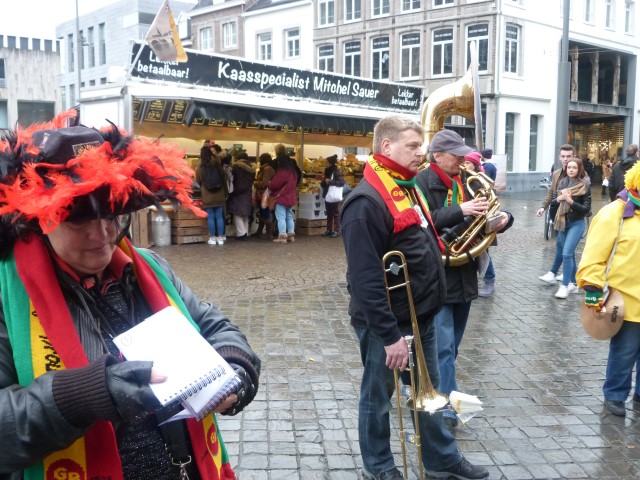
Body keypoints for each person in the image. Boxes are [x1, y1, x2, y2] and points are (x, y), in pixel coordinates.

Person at [0, 111, 261, 479]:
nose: (102, 235)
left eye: (112, 214)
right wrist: (81, 398)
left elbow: (211, 325)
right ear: (42, 217)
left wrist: (236, 369)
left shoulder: (149, 268)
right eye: (78, 219)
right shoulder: (6, 298)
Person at [341, 116, 489, 480]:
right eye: (412, 145)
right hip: (387, 325)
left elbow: (424, 237)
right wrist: (389, 335)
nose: (420, 152)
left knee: (429, 393)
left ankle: (441, 459)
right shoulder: (365, 202)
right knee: (378, 398)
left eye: (420, 145)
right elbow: (364, 279)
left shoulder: (407, 187)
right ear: (386, 146)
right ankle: (378, 467)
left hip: (420, 315)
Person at [417, 131, 512, 431]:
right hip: (437, 275)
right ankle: (447, 407)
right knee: (444, 347)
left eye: (462, 154)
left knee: (452, 347)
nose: (462, 159)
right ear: (437, 156)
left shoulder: (468, 180)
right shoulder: (420, 182)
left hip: (465, 274)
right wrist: (460, 210)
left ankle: (426, 383)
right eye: (455, 154)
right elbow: (421, 221)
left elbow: (488, 213)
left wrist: (504, 219)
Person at [577, 160, 640, 417]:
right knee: (625, 352)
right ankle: (615, 394)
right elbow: (594, 254)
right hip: (625, 301)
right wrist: (592, 288)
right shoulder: (615, 213)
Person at [539, 157, 591, 299]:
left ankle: (564, 286)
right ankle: (573, 284)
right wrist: (558, 199)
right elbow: (554, 203)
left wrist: (570, 201)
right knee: (569, 254)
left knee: (567, 254)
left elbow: (586, 209)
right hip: (562, 223)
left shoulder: (584, 185)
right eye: (569, 167)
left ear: (579, 169)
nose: (571, 170)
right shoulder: (562, 183)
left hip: (577, 223)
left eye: (574, 167)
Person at [536, 144, 575, 285]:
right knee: (563, 246)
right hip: (557, 214)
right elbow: (551, 192)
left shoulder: (578, 174)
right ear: (559, 157)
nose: (565, 159)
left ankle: (563, 276)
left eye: (568, 156)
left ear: (573, 156)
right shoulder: (557, 173)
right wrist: (543, 207)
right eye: (563, 156)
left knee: (564, 247)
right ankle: (568, 275)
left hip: (571, 215)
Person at [464, 151, 496, 298]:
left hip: (480, 225)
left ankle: (490, 281)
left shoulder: (478, 181)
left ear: (475, 165)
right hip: (469, 224)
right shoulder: (463, 178)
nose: (464, 165)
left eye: (467, 163)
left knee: (483, 253)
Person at [196, 144, 228, 245]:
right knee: (219, 216)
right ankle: (220, 238)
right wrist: (225, 193)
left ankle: (212, 238)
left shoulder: (200, 165)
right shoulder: (217, 162)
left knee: (211, 217)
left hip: (207, 194)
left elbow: (198, 181)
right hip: (219, 193)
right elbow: (223, 178)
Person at [268, 144, 301, 244]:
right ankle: (291, 235)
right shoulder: (293, 172)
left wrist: (269, 184)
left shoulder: (282, 172)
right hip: (290, 197)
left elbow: (274, 185)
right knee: (289, 216)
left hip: (281, 197)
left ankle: (282, 236)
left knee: (281, 217)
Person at [227, 152, 256, 241]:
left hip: (237, 192)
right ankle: (245, 232)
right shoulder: (252, 169)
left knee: (237, 214)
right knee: (245, 214)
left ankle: (241, 233)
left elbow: (232, 179)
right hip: (248, 192)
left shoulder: (236, 167)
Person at [322, 153, 345, 238]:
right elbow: (324, 182)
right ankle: (329, 229)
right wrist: (324, 182)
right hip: (327, 194)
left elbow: (342, 182)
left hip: (333, 195)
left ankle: (336, 230)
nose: (325, 164)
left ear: (330, 163)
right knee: (329, 212)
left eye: (326, 162)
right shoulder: (326, 171)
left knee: (335, 213)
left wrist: (331, 182)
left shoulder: (336, 171)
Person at [253, 152, 276, 238]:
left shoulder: (267, 169)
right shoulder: (267, 168)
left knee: (266, 213)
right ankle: (260, 231)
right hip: (263, 194)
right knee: (263, 213)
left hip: (265, 195)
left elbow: (264, 183)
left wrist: (255, 182)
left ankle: (269, 232)